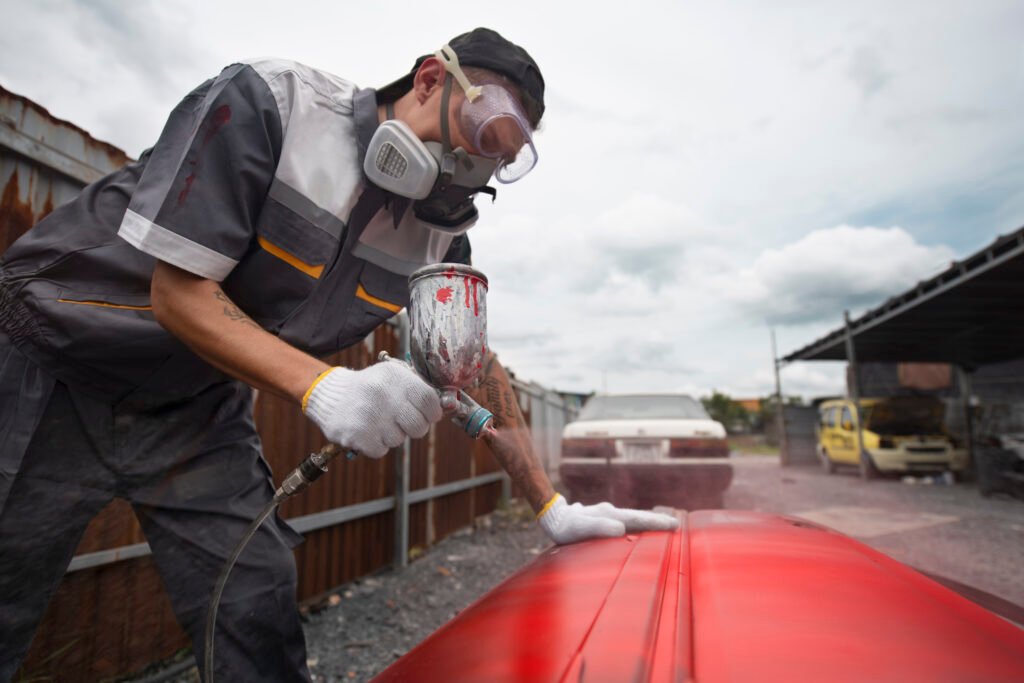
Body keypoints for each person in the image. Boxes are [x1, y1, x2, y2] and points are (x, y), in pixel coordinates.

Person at [0, 28, 678, 681]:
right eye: (481, 132)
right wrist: (325, 387)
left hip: (197, 404)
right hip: (51, 359)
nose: (478, 166)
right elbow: (178, 296)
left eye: (500, 156)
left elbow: (474, 367)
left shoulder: (438, 239)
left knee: (254, 600)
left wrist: (549, 505)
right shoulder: (272, 103)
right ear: (430, 79)